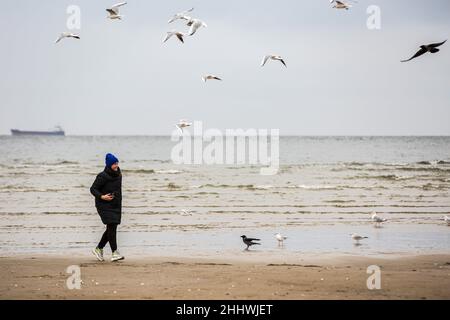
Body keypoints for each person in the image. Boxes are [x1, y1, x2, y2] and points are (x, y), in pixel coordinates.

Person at [90, 153, 124, 262]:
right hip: (103, 205)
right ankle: (114, 252)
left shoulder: (118, 174)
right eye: (114, 164)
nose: (116, 165)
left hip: (115, 204)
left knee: (111, 227)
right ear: (109, 165)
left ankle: (99, 248)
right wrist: (102, 196)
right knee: (112, 227)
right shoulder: (102, 176)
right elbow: (93, 189)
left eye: (117, 163)